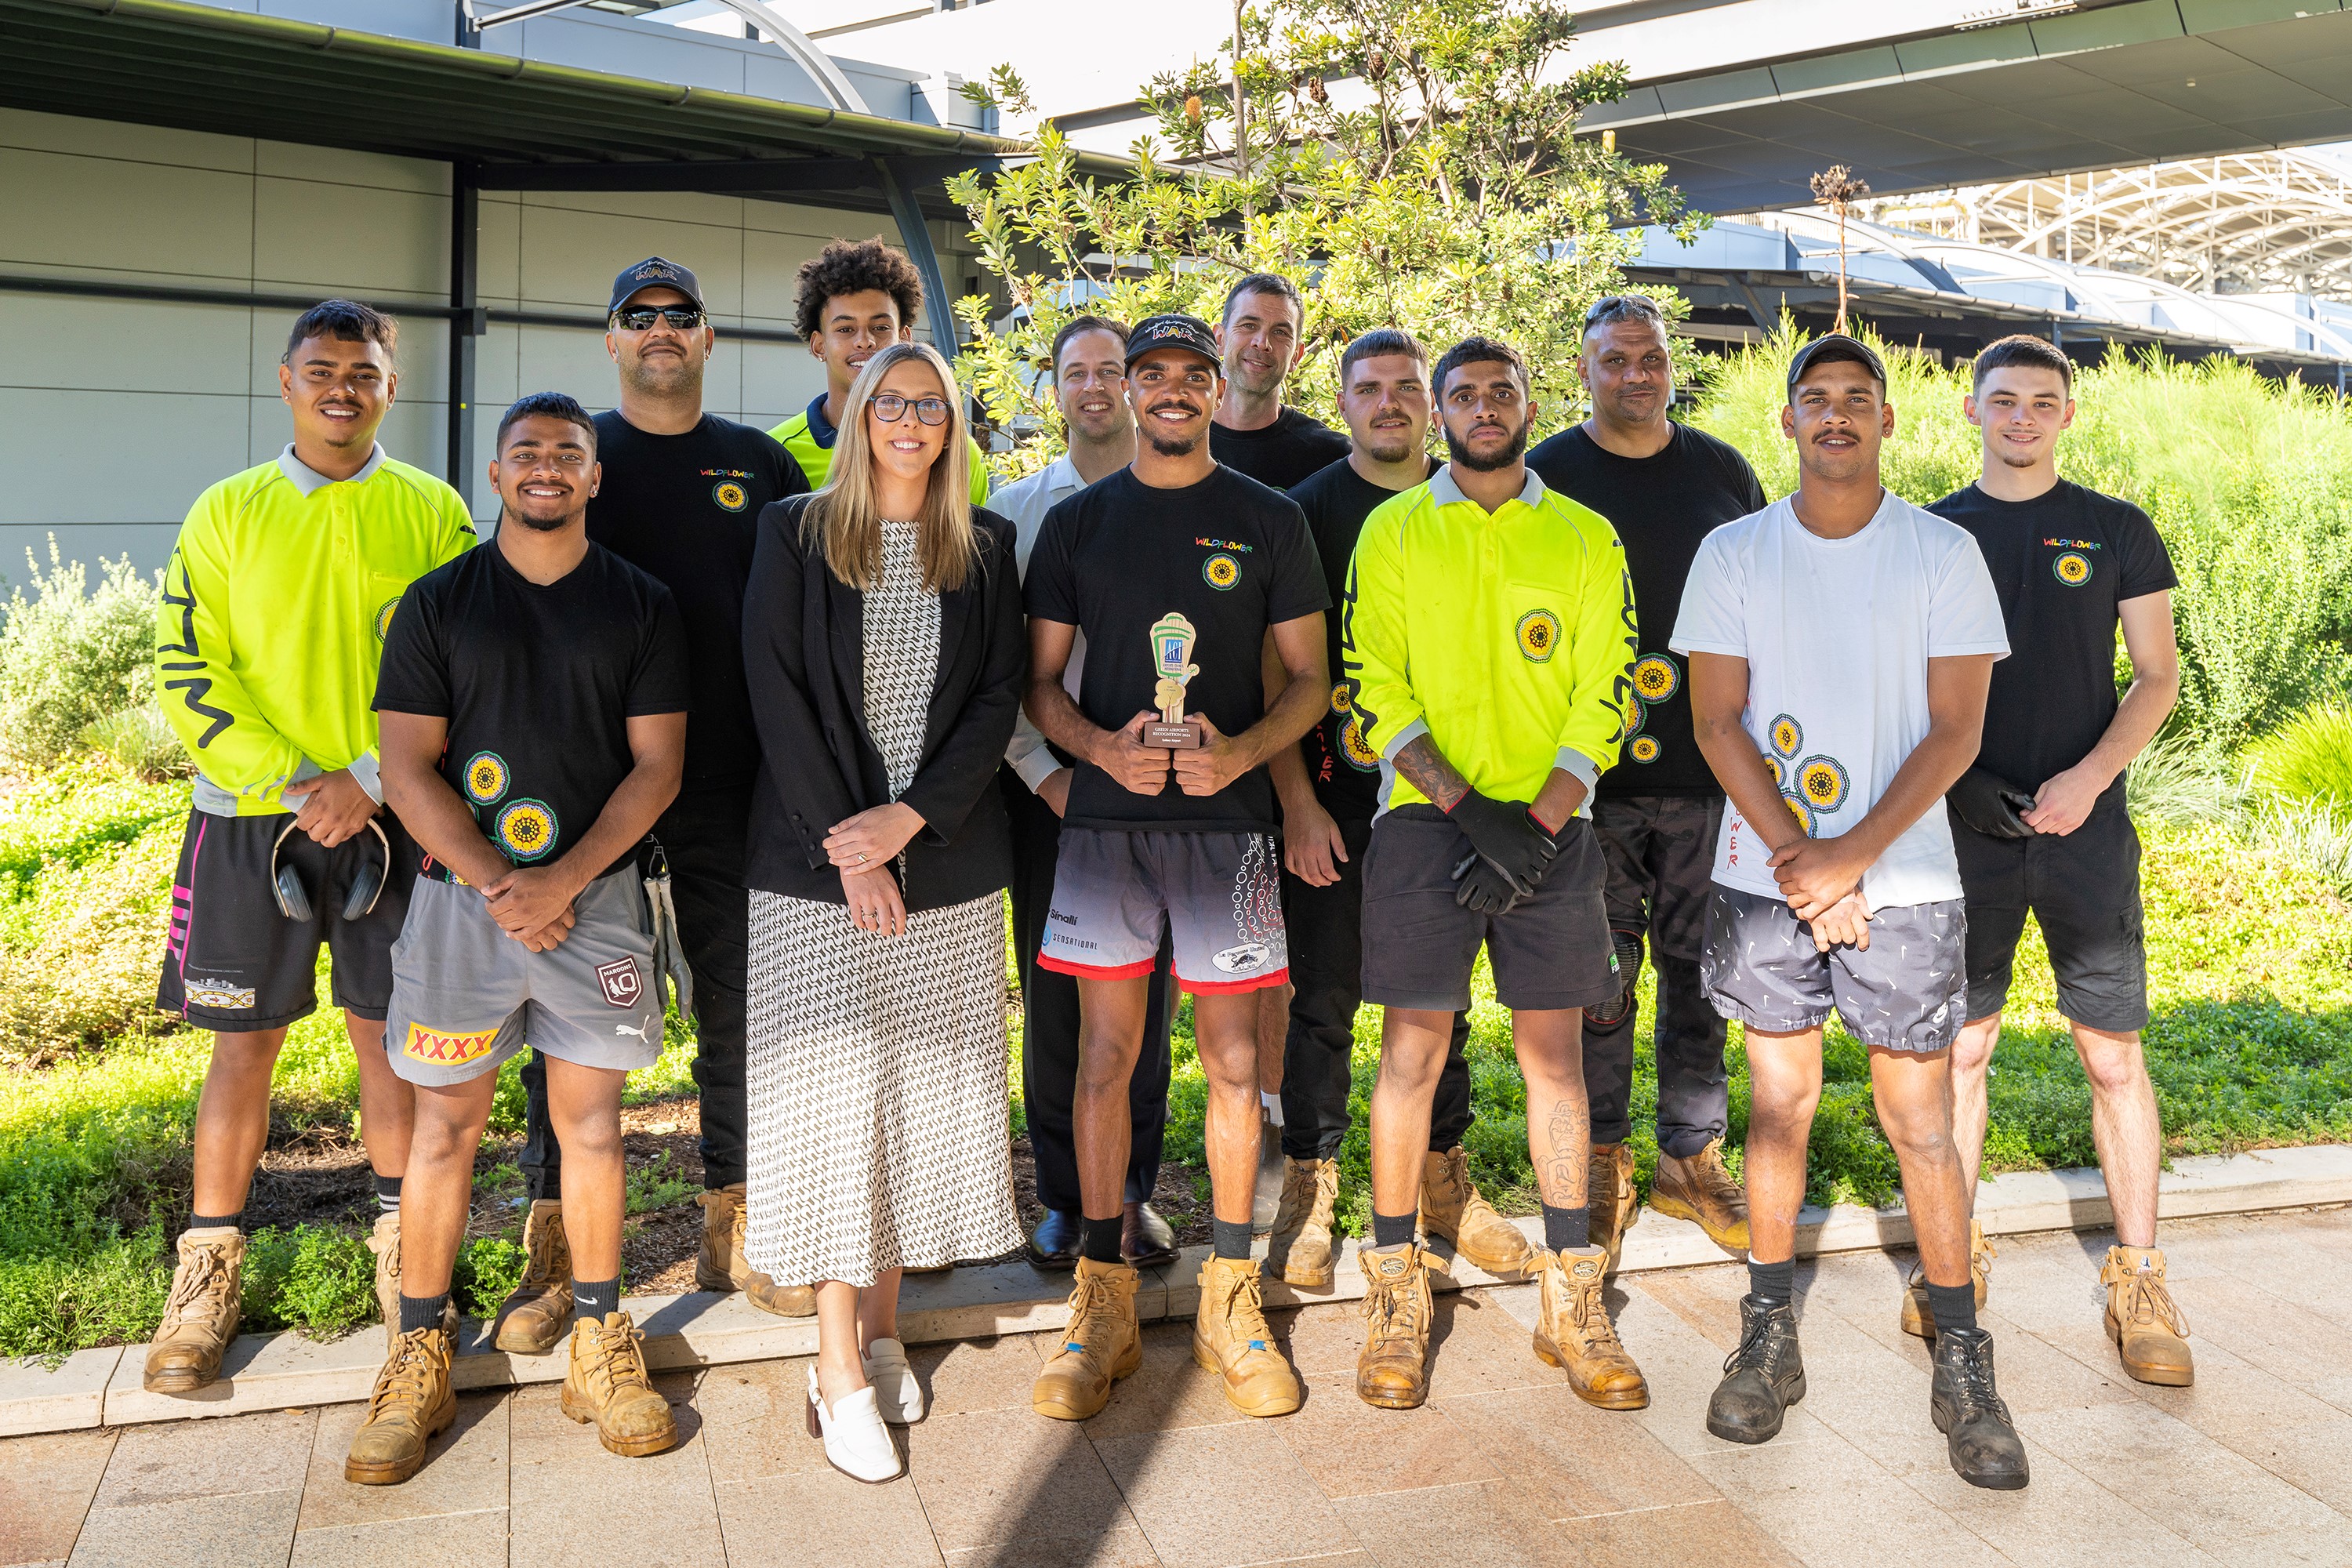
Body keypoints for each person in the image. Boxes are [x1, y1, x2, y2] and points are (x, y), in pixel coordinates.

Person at [1675, 335, 2030, 1490]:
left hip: (1909, 882)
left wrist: (1854, 860)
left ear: (1888, 422)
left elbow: (1956, 732)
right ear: (1785, 423)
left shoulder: (1943, 552)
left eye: (1856, 402)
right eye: (1815, 401)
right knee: (1777, 1110)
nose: (1835, 417)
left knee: (1919, 1122)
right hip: (1766, 871)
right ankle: (1769, 1337)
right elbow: (1717, 721)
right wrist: (1800, 859)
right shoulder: (1733, 551)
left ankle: (1963, 1353)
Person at [347, 392, 689, 1483]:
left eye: (569, 455)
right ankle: (419, 1355)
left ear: (595, 479)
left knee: (591, 1129)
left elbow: (658, 768)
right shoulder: (438, 603)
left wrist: (566, 884)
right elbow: (406, 769)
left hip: (598, 911)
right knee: (445, 1133)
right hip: (463, 913)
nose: (547, 468)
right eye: (526, 453)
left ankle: (600, 1338)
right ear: (495, 477)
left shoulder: (641, 604)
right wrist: (503, 884)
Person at [145, 300, 474, 1396]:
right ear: (288, 382)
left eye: (365, 372)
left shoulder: (432, 514)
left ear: (390, 386)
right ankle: (207, 1269)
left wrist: (371, 783)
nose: (345, 388)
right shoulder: (225, 512)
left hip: (397, 819)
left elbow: (467, 662)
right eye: (323, 370)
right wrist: (299, 781)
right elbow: (190, 670)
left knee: (389, 1040)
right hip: (253, 820)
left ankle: (400, 1253)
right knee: (244, 1046)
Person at [1023, 314, 1331, 1424]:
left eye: (1187, 376)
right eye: (1147, 375)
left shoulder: (1270, 518)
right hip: (1106, 827)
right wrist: (1101, 748)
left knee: (1236, 1064)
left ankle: (1231, 1296)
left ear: (1213, 390)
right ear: (1129, 392)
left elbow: (1310, 680)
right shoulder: (1076, 521)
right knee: (1105, 1058)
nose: (1166, 392)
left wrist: (1240, 754)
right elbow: (1038, 686)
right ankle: (1101, 1299)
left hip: (1228, 828)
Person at [505, 258, 815, 1347]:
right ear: (611, 340)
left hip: (734, 783)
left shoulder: (758, 462)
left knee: (740, 1005)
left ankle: (735, 1222)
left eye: (679, 317)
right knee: (566, 1023)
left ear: (707, 338)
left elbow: (801, 628)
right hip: (594, 798)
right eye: (638, 317)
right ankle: (556, 1254)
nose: (660, 332)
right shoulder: (575, 456)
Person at [739, 341, 1027, 1483]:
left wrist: (910, 824)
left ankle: (887, 1325)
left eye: (932, 407)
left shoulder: (986, 545)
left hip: (945, 866)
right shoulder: (796, 532)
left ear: (954, 427)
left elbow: (999, 695)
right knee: (831, 1110)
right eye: (891, 403)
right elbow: (777, 692)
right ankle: (834, 1368)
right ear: (858, 415)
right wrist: (853, 848)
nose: (910, 421)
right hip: (815, 874)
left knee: (922, 1101)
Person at [1343, 334, 1641, 1412]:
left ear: (1527, 404)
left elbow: (1608, 685)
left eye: (1499, 392)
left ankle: (1574, 1295)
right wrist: (1469, 811)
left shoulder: (1586, 534)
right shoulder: (1392, 530)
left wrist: (1546, 814)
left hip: (1555, 824)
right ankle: (1394, 1295)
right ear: (1435, 411)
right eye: (1459, 394)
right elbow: (1373, 685)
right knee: (1412, 1053)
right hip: (1429, 821)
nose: (1480, 408)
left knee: (1553, 1057)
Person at [1926, 335, 2188, 1384]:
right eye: (2005, 401)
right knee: (1961, 1052)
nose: (2023, 417)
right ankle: (1954, 1261)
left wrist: (2086, 781)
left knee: (2112, 1055)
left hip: (2087, 838)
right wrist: (1958, 780)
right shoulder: (1934, 534)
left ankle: (2141, 1277)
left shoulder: (2117, 528)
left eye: (2043, 402)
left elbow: (2157, 679)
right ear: (1970, 410)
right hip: (1967, 831)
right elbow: (1907, 685)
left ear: (2067, 415)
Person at [1266, 328, 1532, 1293]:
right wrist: (1297, 800)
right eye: (1369, 388)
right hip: (1336, 800)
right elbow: (1280, 670)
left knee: (1442, 1007)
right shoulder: (1304, 513)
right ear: (1341, 402)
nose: (1390, 403)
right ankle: (1313, 1181)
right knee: (1325, 999)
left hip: (1448, 803)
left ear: (1434, 404)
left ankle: (1443, 1179)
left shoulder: (1476, 509)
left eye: (1406, 388)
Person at [1527, 296, 1766, 1265]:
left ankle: (1691, 1156)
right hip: (1586, 778)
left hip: (1710, 769)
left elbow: (1769, 595)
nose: (1638, 374)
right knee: (1597, 979)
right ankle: (1597, 1156)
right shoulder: (1546, 472)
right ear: (1582, 369)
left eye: (1653, 358)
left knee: (1702, 972)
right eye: (1616, 359)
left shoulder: (1721, 470)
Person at [994, 314, 1181, 1272]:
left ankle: (1134, 1187)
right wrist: (1048, 775)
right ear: (1055, 389)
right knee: (1059, 995)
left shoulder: (1188, 497)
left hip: (1169, 791)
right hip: (1055, 790)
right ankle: (1066, 1194)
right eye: (1081, 372)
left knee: (1148, 996)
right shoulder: (1012, 511)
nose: (1100, 387)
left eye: (1117, 370)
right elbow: (998, 666)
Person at [1206, 270, 1350, 1219]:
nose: (1262, 342)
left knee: (1272, 949)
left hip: (1285, 734)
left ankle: (1265, 1117)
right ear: (1221, 338)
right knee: (1198, 949)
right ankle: (1201, 1114)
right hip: (1181, 737)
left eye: (1281, 331)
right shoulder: (1170, 434)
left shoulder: (1322, 459)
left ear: (1298, 348)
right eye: (1248, 326)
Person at [770, 236, 989, 503]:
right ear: (819, 346)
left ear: (905, 339)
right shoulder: (775, 452)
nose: (865, 341)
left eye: (881, 327)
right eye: (845, 329)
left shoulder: (959, 453)